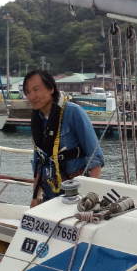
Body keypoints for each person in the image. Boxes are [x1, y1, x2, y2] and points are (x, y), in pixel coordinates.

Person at [23, 70, 104, 207]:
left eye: (36, 89)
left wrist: (89, 199)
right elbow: (39, 162)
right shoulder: (37, 120)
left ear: (51, 88)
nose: (32, 96)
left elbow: (95, 158)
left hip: (75, 195)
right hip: (49, 195)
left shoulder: (73, 112)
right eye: (28, 92)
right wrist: (35, 196)